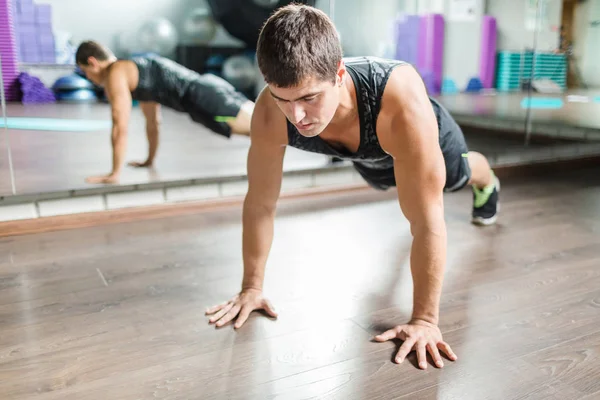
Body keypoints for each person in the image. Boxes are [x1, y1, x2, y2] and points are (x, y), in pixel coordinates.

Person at [205, 4, 500, 370]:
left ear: (339, 74)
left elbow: (426, 223)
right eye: (283, 99)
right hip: (370, 157)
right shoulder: (271, 111)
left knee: (458, 177)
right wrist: (252, 287)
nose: (296, 117)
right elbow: (260, 204)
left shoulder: (400, 100)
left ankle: (487, 180)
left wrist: (424, 321)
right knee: (383, 181)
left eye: (308, 98)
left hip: (423, 139)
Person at [75, 41, 254, 184]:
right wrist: (149, 160)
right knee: (266, 129)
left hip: (205, 97)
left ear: (93, 62)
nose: (89, 78)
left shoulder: (116, 73)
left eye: (85, 72)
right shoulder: (136, 74)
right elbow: (153, 123)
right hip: (206, 93)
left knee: (264, 130)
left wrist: (114, 174)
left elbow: (119, 126)